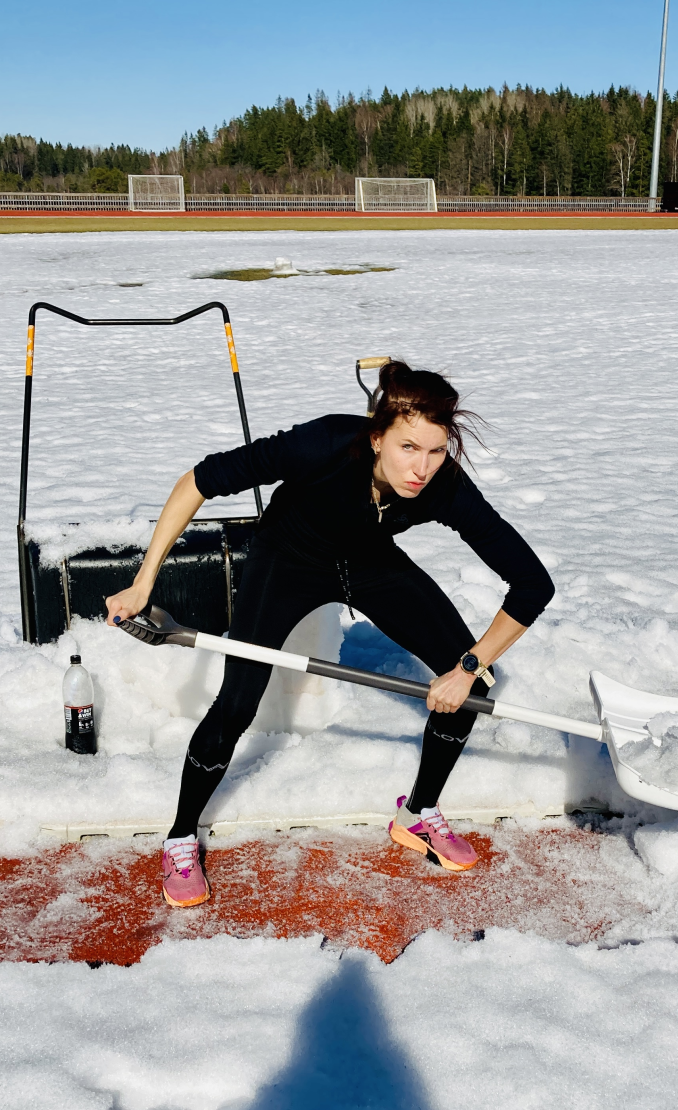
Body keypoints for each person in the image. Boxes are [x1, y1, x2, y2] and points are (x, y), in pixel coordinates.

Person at [105, 361, 554, 908]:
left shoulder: (444, 488)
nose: (422, 468)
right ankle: (180, 836)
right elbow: (198, 481)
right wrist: (142, 582)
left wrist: (465, 668)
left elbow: (533, 584)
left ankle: (417, 815)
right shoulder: (322, 444)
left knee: (473, 692)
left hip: (370, 562)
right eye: (408, 448)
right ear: (376, 437)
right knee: (238, 703)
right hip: (287, 556)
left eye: (435, 451)